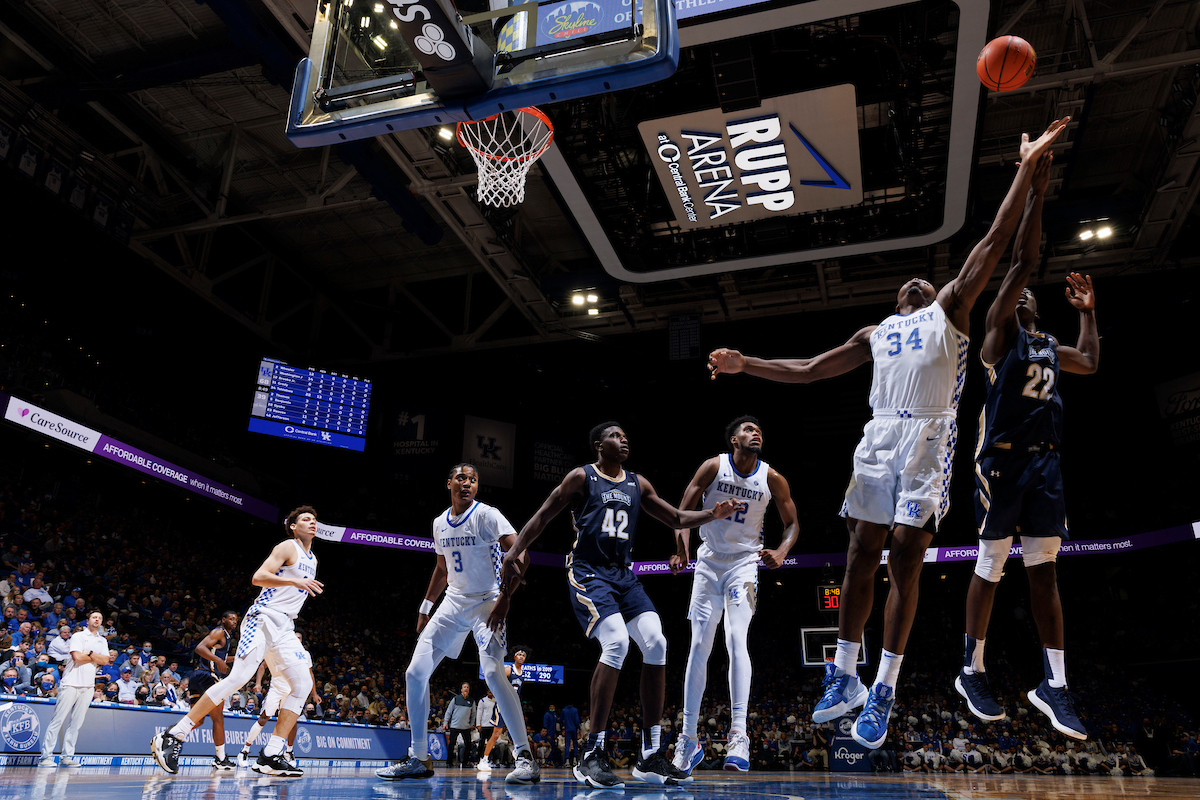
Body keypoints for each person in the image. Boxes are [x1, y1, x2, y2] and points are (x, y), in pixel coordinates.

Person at [708, 119, 1069, 750]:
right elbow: (812, 369)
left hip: (928, 439)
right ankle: (844, 675)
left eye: (921, 281)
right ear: (894, 299)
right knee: (858, 552)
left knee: (905, 552)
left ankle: (885, 686)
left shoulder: (949, 310)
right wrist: (748, 365)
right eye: (907, 285)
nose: (913, 284)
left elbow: (996, 240)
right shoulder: (875, 334)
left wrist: (1026, 168)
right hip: (877, 438)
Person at [489, 421, 741, 788]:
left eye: (626, 437)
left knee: (657, 642)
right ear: (598, 445)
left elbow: (674, 517)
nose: (624, 441)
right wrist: (514, 550)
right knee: (618, 642)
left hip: (623, 575)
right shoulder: (582, 477)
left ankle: (650, 755)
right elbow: (545, 513)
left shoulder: (639, 483)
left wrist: (711, 515)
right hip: (588, 572)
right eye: (616, 436)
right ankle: (590, 754)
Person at [955, 154, 1097, 743]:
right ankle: (972, 669)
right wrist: (1037, 192)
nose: (1023, 295)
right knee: (991, 567)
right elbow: (1023, 260)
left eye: (1028, 296)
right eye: (1017, 293)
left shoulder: (1048, 343)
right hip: (1005, 459)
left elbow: (1089, 362)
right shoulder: (999, 333)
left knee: (1045, 573)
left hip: (1047, 463)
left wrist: (1089, 314)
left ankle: (1054, 684)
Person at [376, 464, 539, 785]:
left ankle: (525, 757)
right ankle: (419, 756)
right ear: (448, 482)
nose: (467, 483)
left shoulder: (487, 515)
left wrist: (505, 598)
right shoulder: (439, 522)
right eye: (461, 478)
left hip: (487, 600)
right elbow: (441, 567)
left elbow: (522, 555)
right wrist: (425, 607)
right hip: (453, 602)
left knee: (493, 672)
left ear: (477, 487)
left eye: (473, 479)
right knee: (415, 673)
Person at [152, 506, 323, 777]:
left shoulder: (313, 559)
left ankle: (271, 754)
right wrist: (296, 583)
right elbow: (258, 578)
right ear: (292, 526)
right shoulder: (288, 546)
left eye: (314, 520)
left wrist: (297, 584)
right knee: (238, 678)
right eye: (305, 519)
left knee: (302, 685)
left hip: (285, 626)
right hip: (263, 617)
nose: (312, 523)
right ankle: (174, 735)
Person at [670, 415, 799, 773]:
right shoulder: (714, 466)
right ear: (733, 440)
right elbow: (682, 512)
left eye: (759, 429)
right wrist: (680, 549)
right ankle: (688, 740)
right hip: (708, 564)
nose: (756, 432)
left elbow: (792, 523)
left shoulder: (772, 477)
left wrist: (783, 551)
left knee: (735, 639)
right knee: (699, 646)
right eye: (748, 429)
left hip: (744, 564)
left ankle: (739, 735)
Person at [237, 630, 320, 768]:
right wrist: (258, 683)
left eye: (299, 637)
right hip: (276, 689)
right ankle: (245, 750)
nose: (297, 639)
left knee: (292, 723)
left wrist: (314, 693)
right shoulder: (279, 650)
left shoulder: (305, 655)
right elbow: (262, 666)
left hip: (292, 691)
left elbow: (309, 674)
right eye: (295, 637)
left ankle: (289, 751)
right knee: (263, 718)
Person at [38, 610, 109, 766]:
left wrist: (89, 653)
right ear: (88, 620)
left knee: (76, 723)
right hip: (70, 683)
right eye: (94, 617)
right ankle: (45, 757)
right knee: (58, 720)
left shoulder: (102, 641)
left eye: (99, 618)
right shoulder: (78, 636)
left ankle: (67, 756)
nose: (97, 619)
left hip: (88, 685)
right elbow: (77, 657)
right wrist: (95, 656)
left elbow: (105, 660)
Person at [181, 610, 240, 769]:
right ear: (223, 619)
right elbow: (200, 648)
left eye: (236, 619)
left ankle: (168, 737)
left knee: (197, 720)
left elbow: (221, 657)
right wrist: (217, 661)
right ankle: (220, 758)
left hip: (198, 677)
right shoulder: (219, 631)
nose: (234, 621)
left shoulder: (225, 637)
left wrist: (238, 658)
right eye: (231, 618)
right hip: (207, 676)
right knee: (218, 718)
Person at [477, 646, 529, 772]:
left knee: (518, 733)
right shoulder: (508, 669)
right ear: (514, 657)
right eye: (519, 654)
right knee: (496, 734)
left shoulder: (523, 673)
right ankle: (483, 760)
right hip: (502, 705)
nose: (521, 657)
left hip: (513, 705)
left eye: (523, 655)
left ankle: (518, 755)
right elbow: (496, 682)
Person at [444, 682, 476, 767]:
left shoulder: (472, 701)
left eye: (467, 687)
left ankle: (464, 762)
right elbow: (449, 711)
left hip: (466, 727)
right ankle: (449, 762)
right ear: (461, 690)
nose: (466, 688)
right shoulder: (455, 699)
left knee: (468, 744)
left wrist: (471, 724)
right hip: (455, 726)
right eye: (464, 687)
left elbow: (474, 714)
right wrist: (445, 723)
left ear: (469, 690)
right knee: (451, 744)